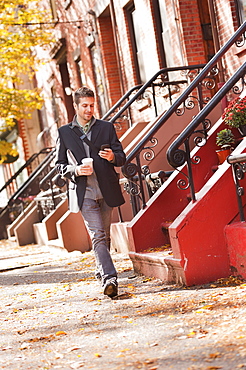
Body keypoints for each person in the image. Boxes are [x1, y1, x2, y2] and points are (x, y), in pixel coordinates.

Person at [55, 86, 126, 298]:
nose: (89, 109)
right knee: (97, 235)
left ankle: (101, 268)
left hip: (106, 189)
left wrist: (113, 157)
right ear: (75, 107)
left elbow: (121, 156)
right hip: (83, 192)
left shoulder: (106, 128)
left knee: (103, 235)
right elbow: (59, 165)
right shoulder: (65, 133)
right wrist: (75, 169)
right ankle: (110, 278)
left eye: (92, 105)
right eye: (84, 106)